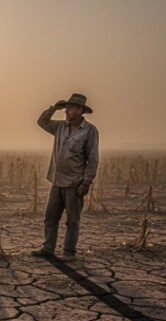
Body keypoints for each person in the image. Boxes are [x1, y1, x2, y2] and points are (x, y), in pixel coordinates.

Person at [31, 93, 99, 261]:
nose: (67, 110)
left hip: (75, 183)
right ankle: (48, 248)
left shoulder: (90, 131)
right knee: (50, 217)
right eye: (66, 107)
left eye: (71, 107)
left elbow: (93, 159)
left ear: (80, 110)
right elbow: (42, 122)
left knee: (72, 221)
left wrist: (86, 182)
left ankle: (69, 253)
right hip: (57, 181)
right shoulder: (60, 127)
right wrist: (54, 107)